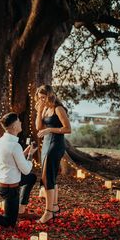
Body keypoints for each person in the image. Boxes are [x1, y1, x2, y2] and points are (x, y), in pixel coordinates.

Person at [35, 84, 71, 223]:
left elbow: (68, 129)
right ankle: (54, 207)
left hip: (56, 145)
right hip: (46, 145)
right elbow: (39, 127)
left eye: (44, 97)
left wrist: (50, 130)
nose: (42, 100)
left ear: (50, 95)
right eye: (39, 98)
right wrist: (39, 111)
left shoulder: (58, 108)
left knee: (47, 178)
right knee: (50, 175)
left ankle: (48, 212)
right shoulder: (45, 109)